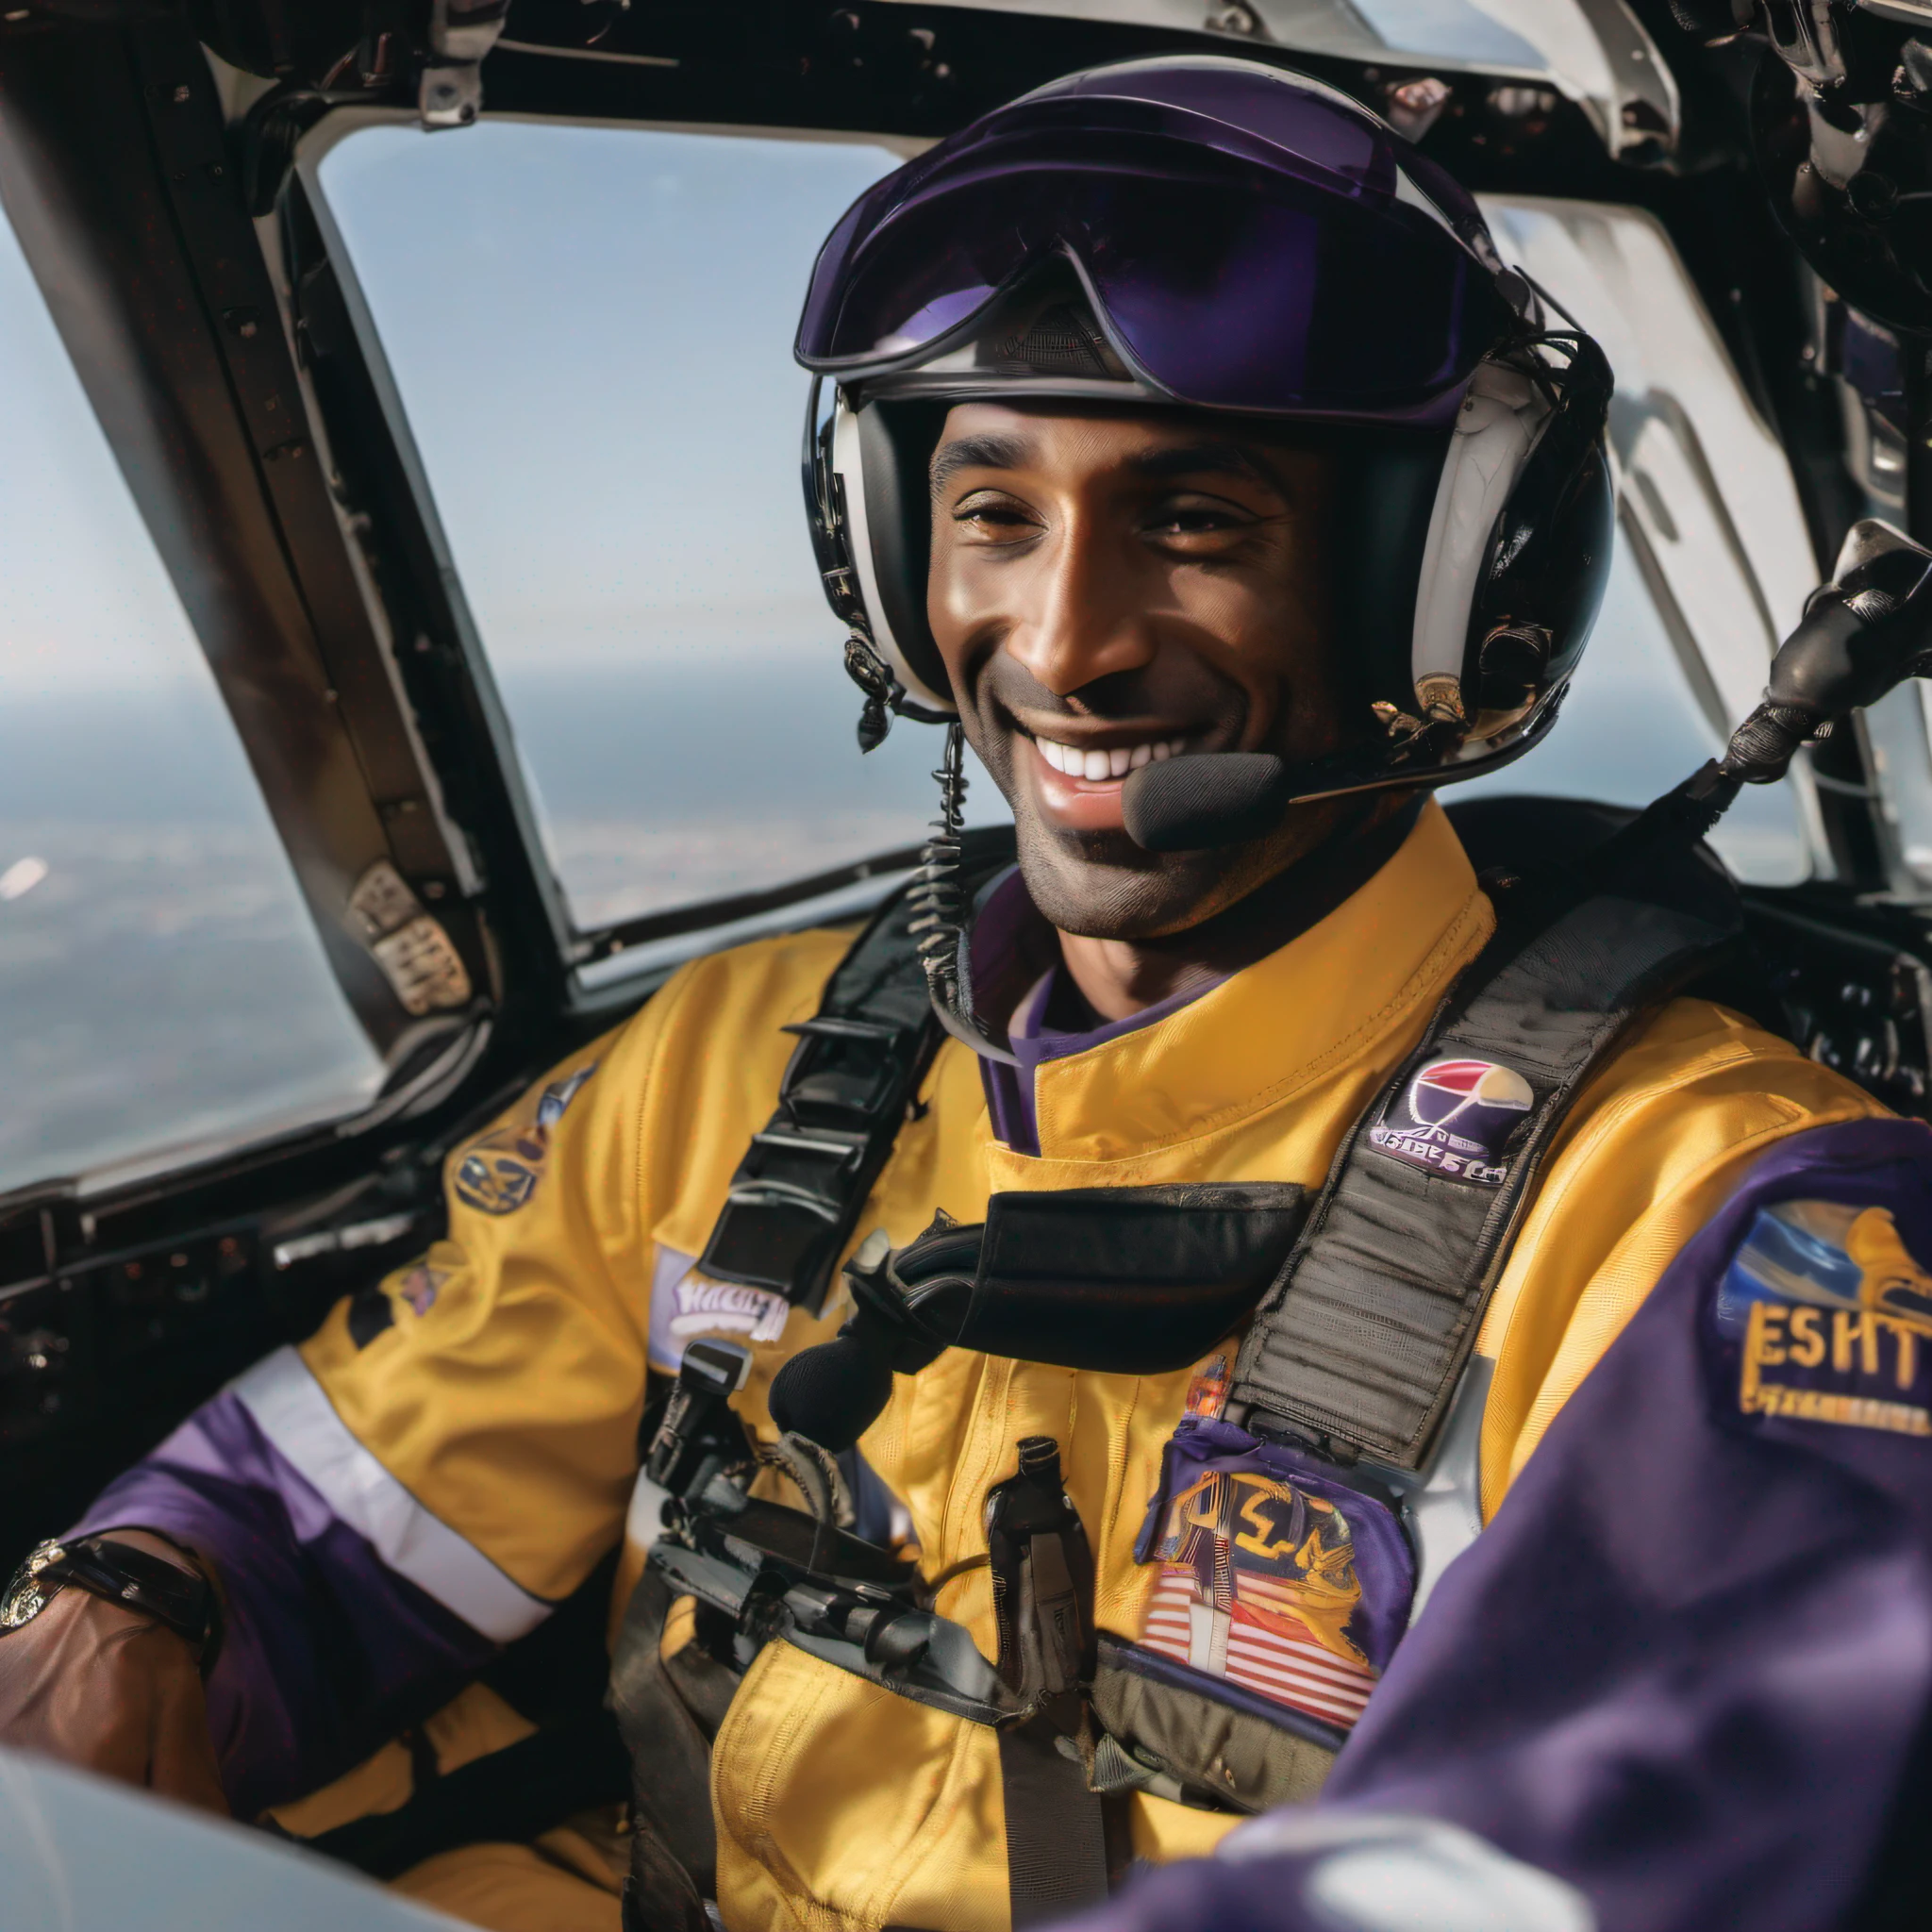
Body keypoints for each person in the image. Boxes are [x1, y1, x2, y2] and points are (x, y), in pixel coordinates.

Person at [3, 53, 1928, 1932]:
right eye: (993, 512)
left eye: (1196, 523)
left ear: (1430, 591)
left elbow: (1599, 1851)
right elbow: (338, 1508)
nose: (1063, 644)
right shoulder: (735, 1074)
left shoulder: (1726, 1222)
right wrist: (143, 1589)